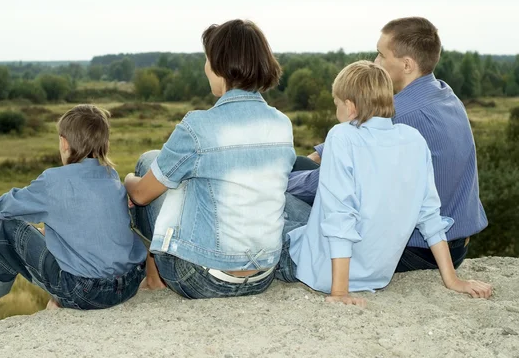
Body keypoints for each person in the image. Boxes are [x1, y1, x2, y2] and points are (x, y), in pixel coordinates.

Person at [276, 61, 492, 306]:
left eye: (336, 104)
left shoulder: (342, 135)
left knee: (271, 204)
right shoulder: (414, 140)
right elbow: (430, 215)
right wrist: (453, 280)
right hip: (375, 277)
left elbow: (340, 216)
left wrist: (339, 292)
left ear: (350, 107)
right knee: (297, 216)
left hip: (320, 272)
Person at [289, 17, 487, 271]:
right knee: (300, 163)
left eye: (382, 56)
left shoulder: (398, 116)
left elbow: (330, 185)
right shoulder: (445, 94)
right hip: (454, 244)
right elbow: (358, 140)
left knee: (285, 205)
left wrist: (277, 184)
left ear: (406, 64)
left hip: (415, 249)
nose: (376, 62)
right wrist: (317, 155)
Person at [125, 19, 295, 299]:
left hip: (202, 278)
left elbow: (142, 196)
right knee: (193, 178)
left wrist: (129, 182)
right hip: (264, 273)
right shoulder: (282, 124)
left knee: (149, 163)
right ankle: (155, 277)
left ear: (220, 65)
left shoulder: (198, 126)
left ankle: (154, 279)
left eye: (207, 58)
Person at [0, 104, 147, 331]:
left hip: (86, 293)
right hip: (129, 283)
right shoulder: (111, 175)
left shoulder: (54, 181)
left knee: (7, 228)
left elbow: (2, 209)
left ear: (64, 143)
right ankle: (57, 300)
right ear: (104, 144)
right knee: (64, 240)